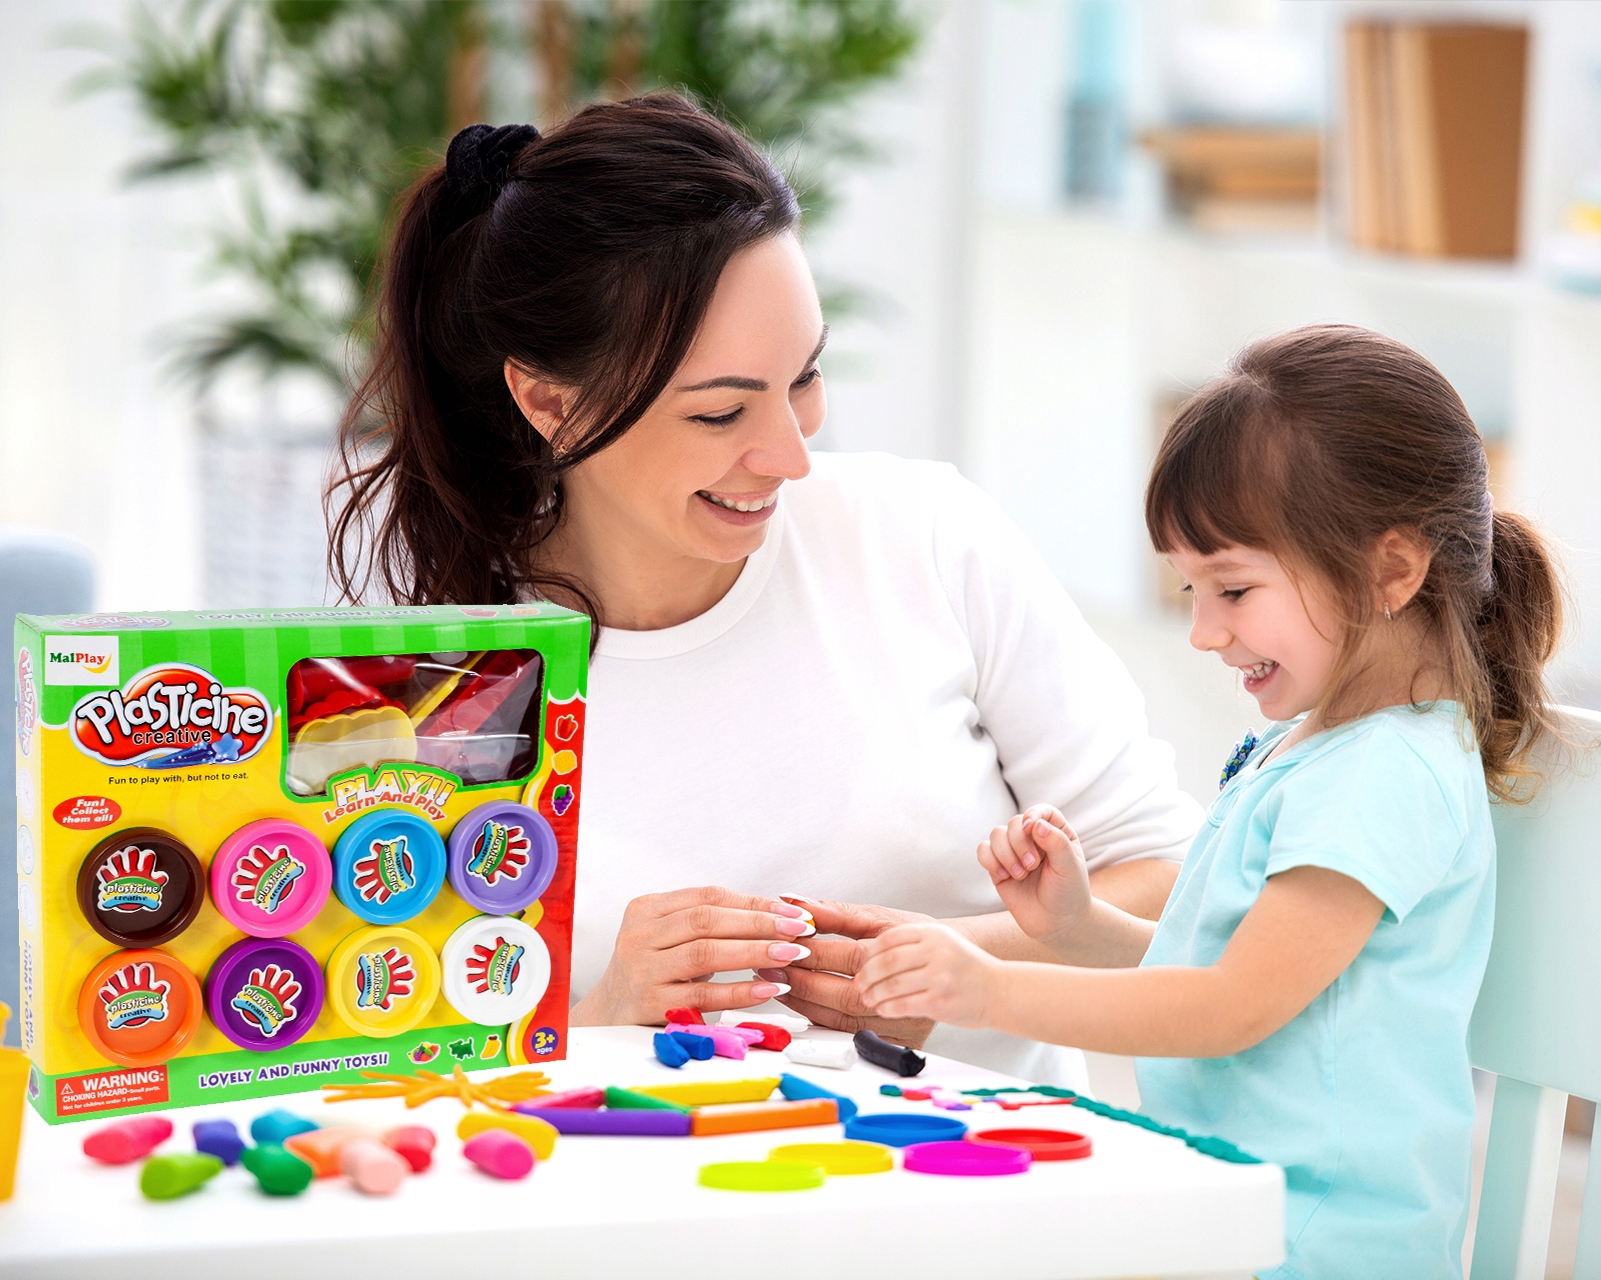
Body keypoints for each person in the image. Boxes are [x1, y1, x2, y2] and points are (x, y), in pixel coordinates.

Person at [329, 93, 1202, 1080]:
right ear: (548, 401)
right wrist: (603, 1015)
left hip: (995, 1173)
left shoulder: (925, 537)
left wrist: (950, 968)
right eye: (720, 413)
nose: (791, 455)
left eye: (805, 376)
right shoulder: (451, 688)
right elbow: (392, 1055)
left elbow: (1179, 884)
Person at [854, 324, 1564, 1278]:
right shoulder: (1322, 745)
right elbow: (1244, 969)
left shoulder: (1382, 774)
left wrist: (991, 992)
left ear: (1392, 571)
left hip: (1313, 1245)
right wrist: (1077, 925)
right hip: (1235, 1214)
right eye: (1191, 590)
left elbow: (1230, 1007)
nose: (1202, 631)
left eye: (1231, 589)